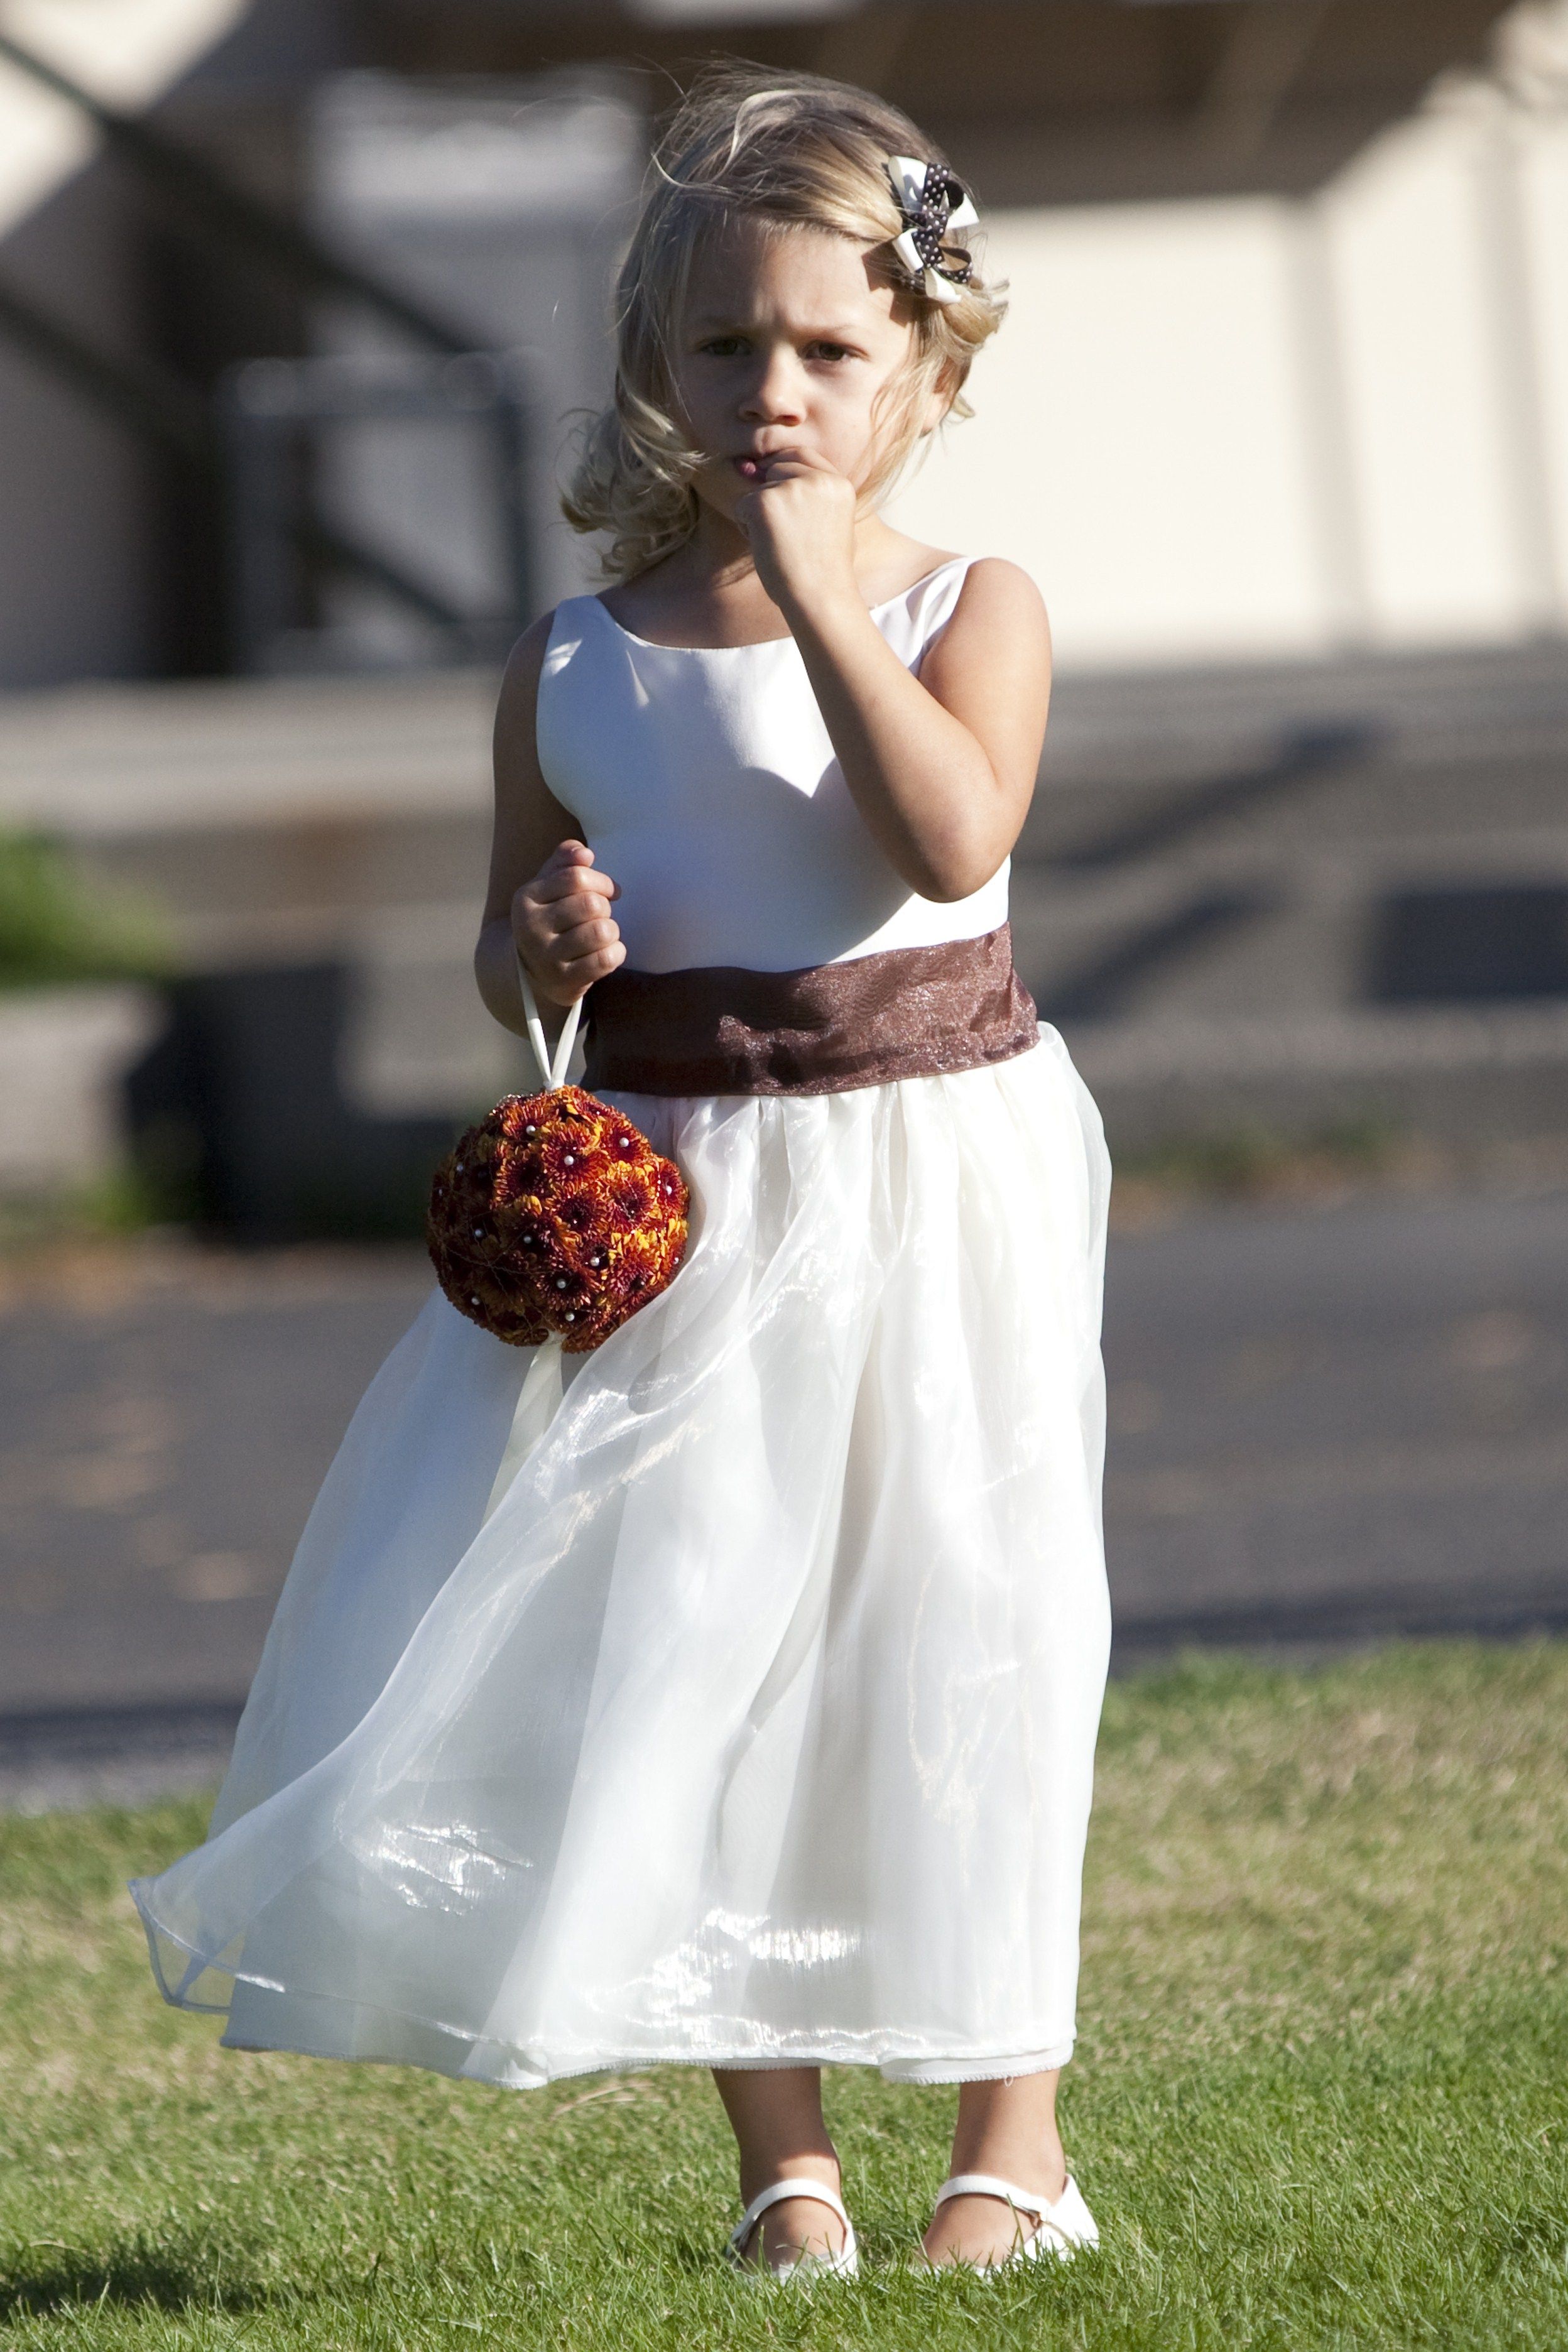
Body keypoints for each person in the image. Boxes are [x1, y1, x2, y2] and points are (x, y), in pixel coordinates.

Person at [130, 62, 1112, 2281]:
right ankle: (785, 2158)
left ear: (926, 367)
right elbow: (514, 948)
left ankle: (1011, 2147)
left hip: (928, 1171)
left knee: (965, 1621)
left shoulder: (973, 602)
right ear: (656, 366)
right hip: (687, 1196)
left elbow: (952, 835)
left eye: (833, 350)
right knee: (693, 1641)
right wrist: (538, 946)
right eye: (728, 346)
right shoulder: (575, 656)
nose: (776, 391)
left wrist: (815, 590)